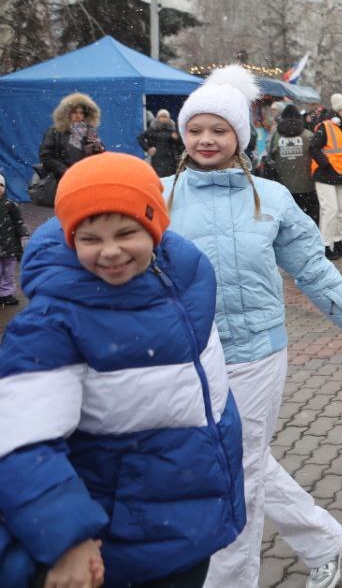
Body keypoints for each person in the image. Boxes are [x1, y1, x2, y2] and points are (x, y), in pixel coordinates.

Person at [164, 67, 342, 588]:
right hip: (187, 355)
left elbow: (313, 269)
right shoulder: (160, 195)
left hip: (256, 353)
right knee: (237, 461)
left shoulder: (271, 198)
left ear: (240, 136)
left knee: (238, 471)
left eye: (219, 129)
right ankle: (324, 540)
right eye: (196, 129)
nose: (206, 139)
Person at [0, 153, 245, 587]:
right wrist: (68, 538)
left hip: (194, 520)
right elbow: (21, 443)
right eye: (89, 238)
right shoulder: (51, 323)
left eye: (126, 233)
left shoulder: (189, 277)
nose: (110, 251)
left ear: (156, 226)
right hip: (123, 540)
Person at [311, 93, 342, 259]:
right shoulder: (325, 126)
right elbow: (314, 148)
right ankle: (324, 246)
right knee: (330, 210)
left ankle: (338, 243)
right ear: (337, 110)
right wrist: (326, 164)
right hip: (325, 175)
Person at [269, 104, 319, 224]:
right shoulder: (308, 135)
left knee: (288, 220)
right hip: (307, 186)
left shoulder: (276, 135)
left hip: (284, 186)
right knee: (309, 220)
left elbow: (271, 157)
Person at [38, 92, 105, 183]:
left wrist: (99, 149)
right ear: (66, 113)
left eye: (81, 113)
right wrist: (66, 172)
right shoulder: (55, 131)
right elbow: (46, 156)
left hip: (84, 179)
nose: (78, 116)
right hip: (60, 180)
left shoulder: (90, 132)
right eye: (74, 112)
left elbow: (98, 157)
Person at [0, 173, 28, 307]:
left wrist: (23, 235)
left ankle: (6, 294)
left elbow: (18, 222)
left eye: (1, 185)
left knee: (8, 272)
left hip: (9, 244)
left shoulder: (10, 205)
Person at [137, 108, 182, 177]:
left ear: (169, 119)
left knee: (170, 178)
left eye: (165, 117)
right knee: (158, 177)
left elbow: (180, 146)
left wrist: (177, 139)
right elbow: (140, 138)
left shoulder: (172, 130)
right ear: (157, 118)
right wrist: (148, 148)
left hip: (171, 160)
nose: (163, 119)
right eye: (161, 117)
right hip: (157, 159)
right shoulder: (152, 129)